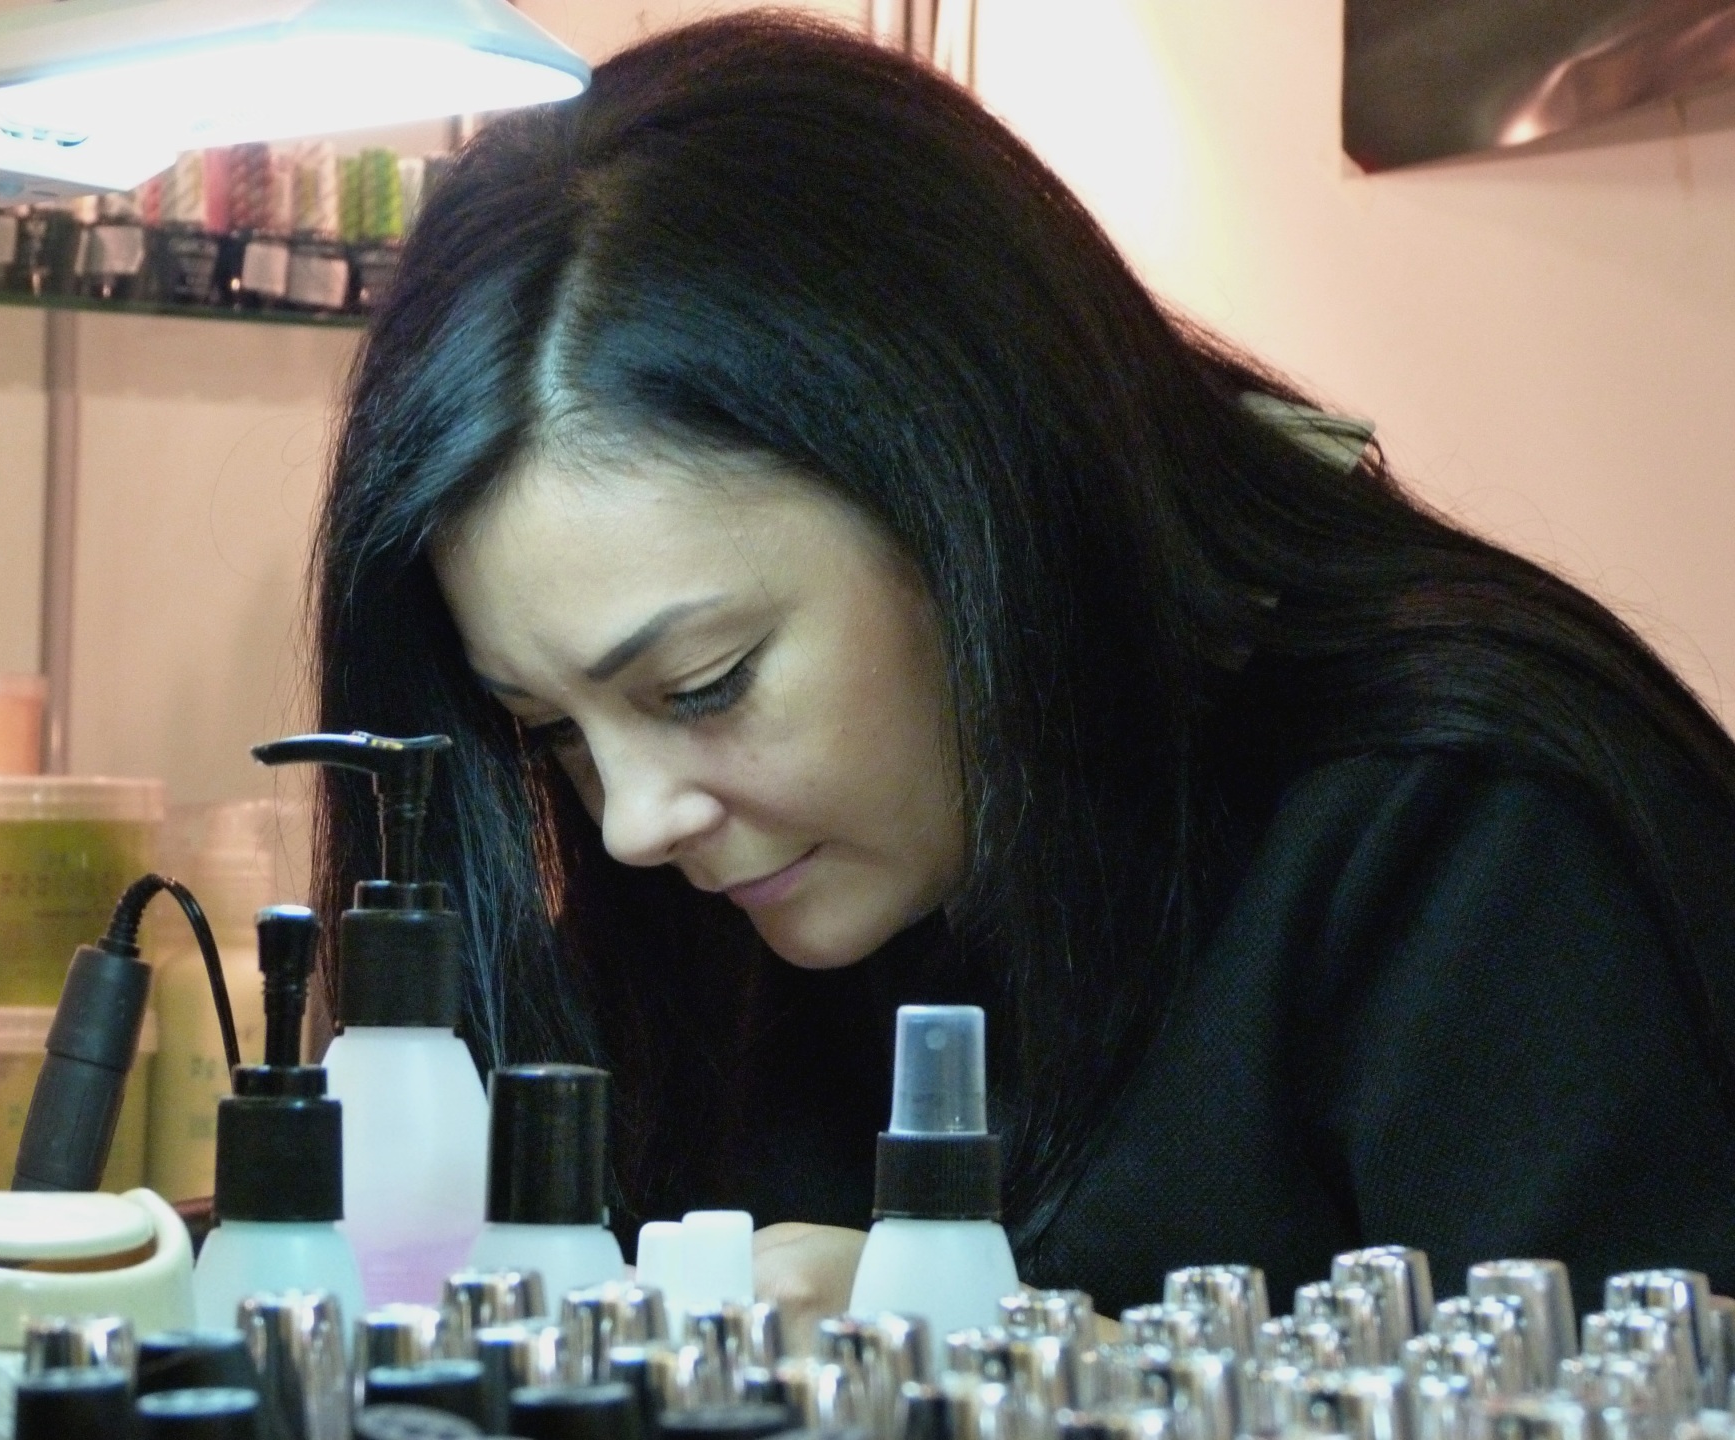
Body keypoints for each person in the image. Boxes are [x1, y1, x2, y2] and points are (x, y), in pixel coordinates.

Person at [309, 13, 1735, 1321]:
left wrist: (1023, 1368)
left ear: (976, 495)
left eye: (705, 684)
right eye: (551, 730)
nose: (631, 823)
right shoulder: (736, 916)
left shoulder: (1470, 839)